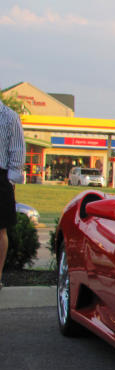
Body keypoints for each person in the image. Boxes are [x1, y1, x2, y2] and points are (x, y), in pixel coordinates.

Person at [0, 99, 26, 289]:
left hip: (0, 177)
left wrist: (10, 180)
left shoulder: (9, 116)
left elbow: (17, 150)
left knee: (0, 230)